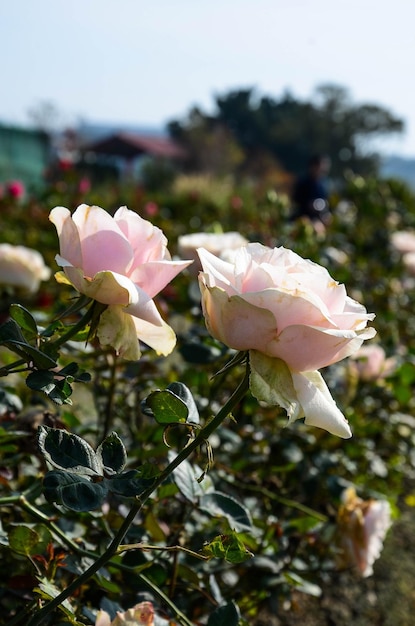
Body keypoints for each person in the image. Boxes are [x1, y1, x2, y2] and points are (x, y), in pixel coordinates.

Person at [291, 155, 331, 225]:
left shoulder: (323, 184)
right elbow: (296, 200)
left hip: (320, 218)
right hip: (303, 218)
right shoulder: (303, 183)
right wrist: (308, 204)